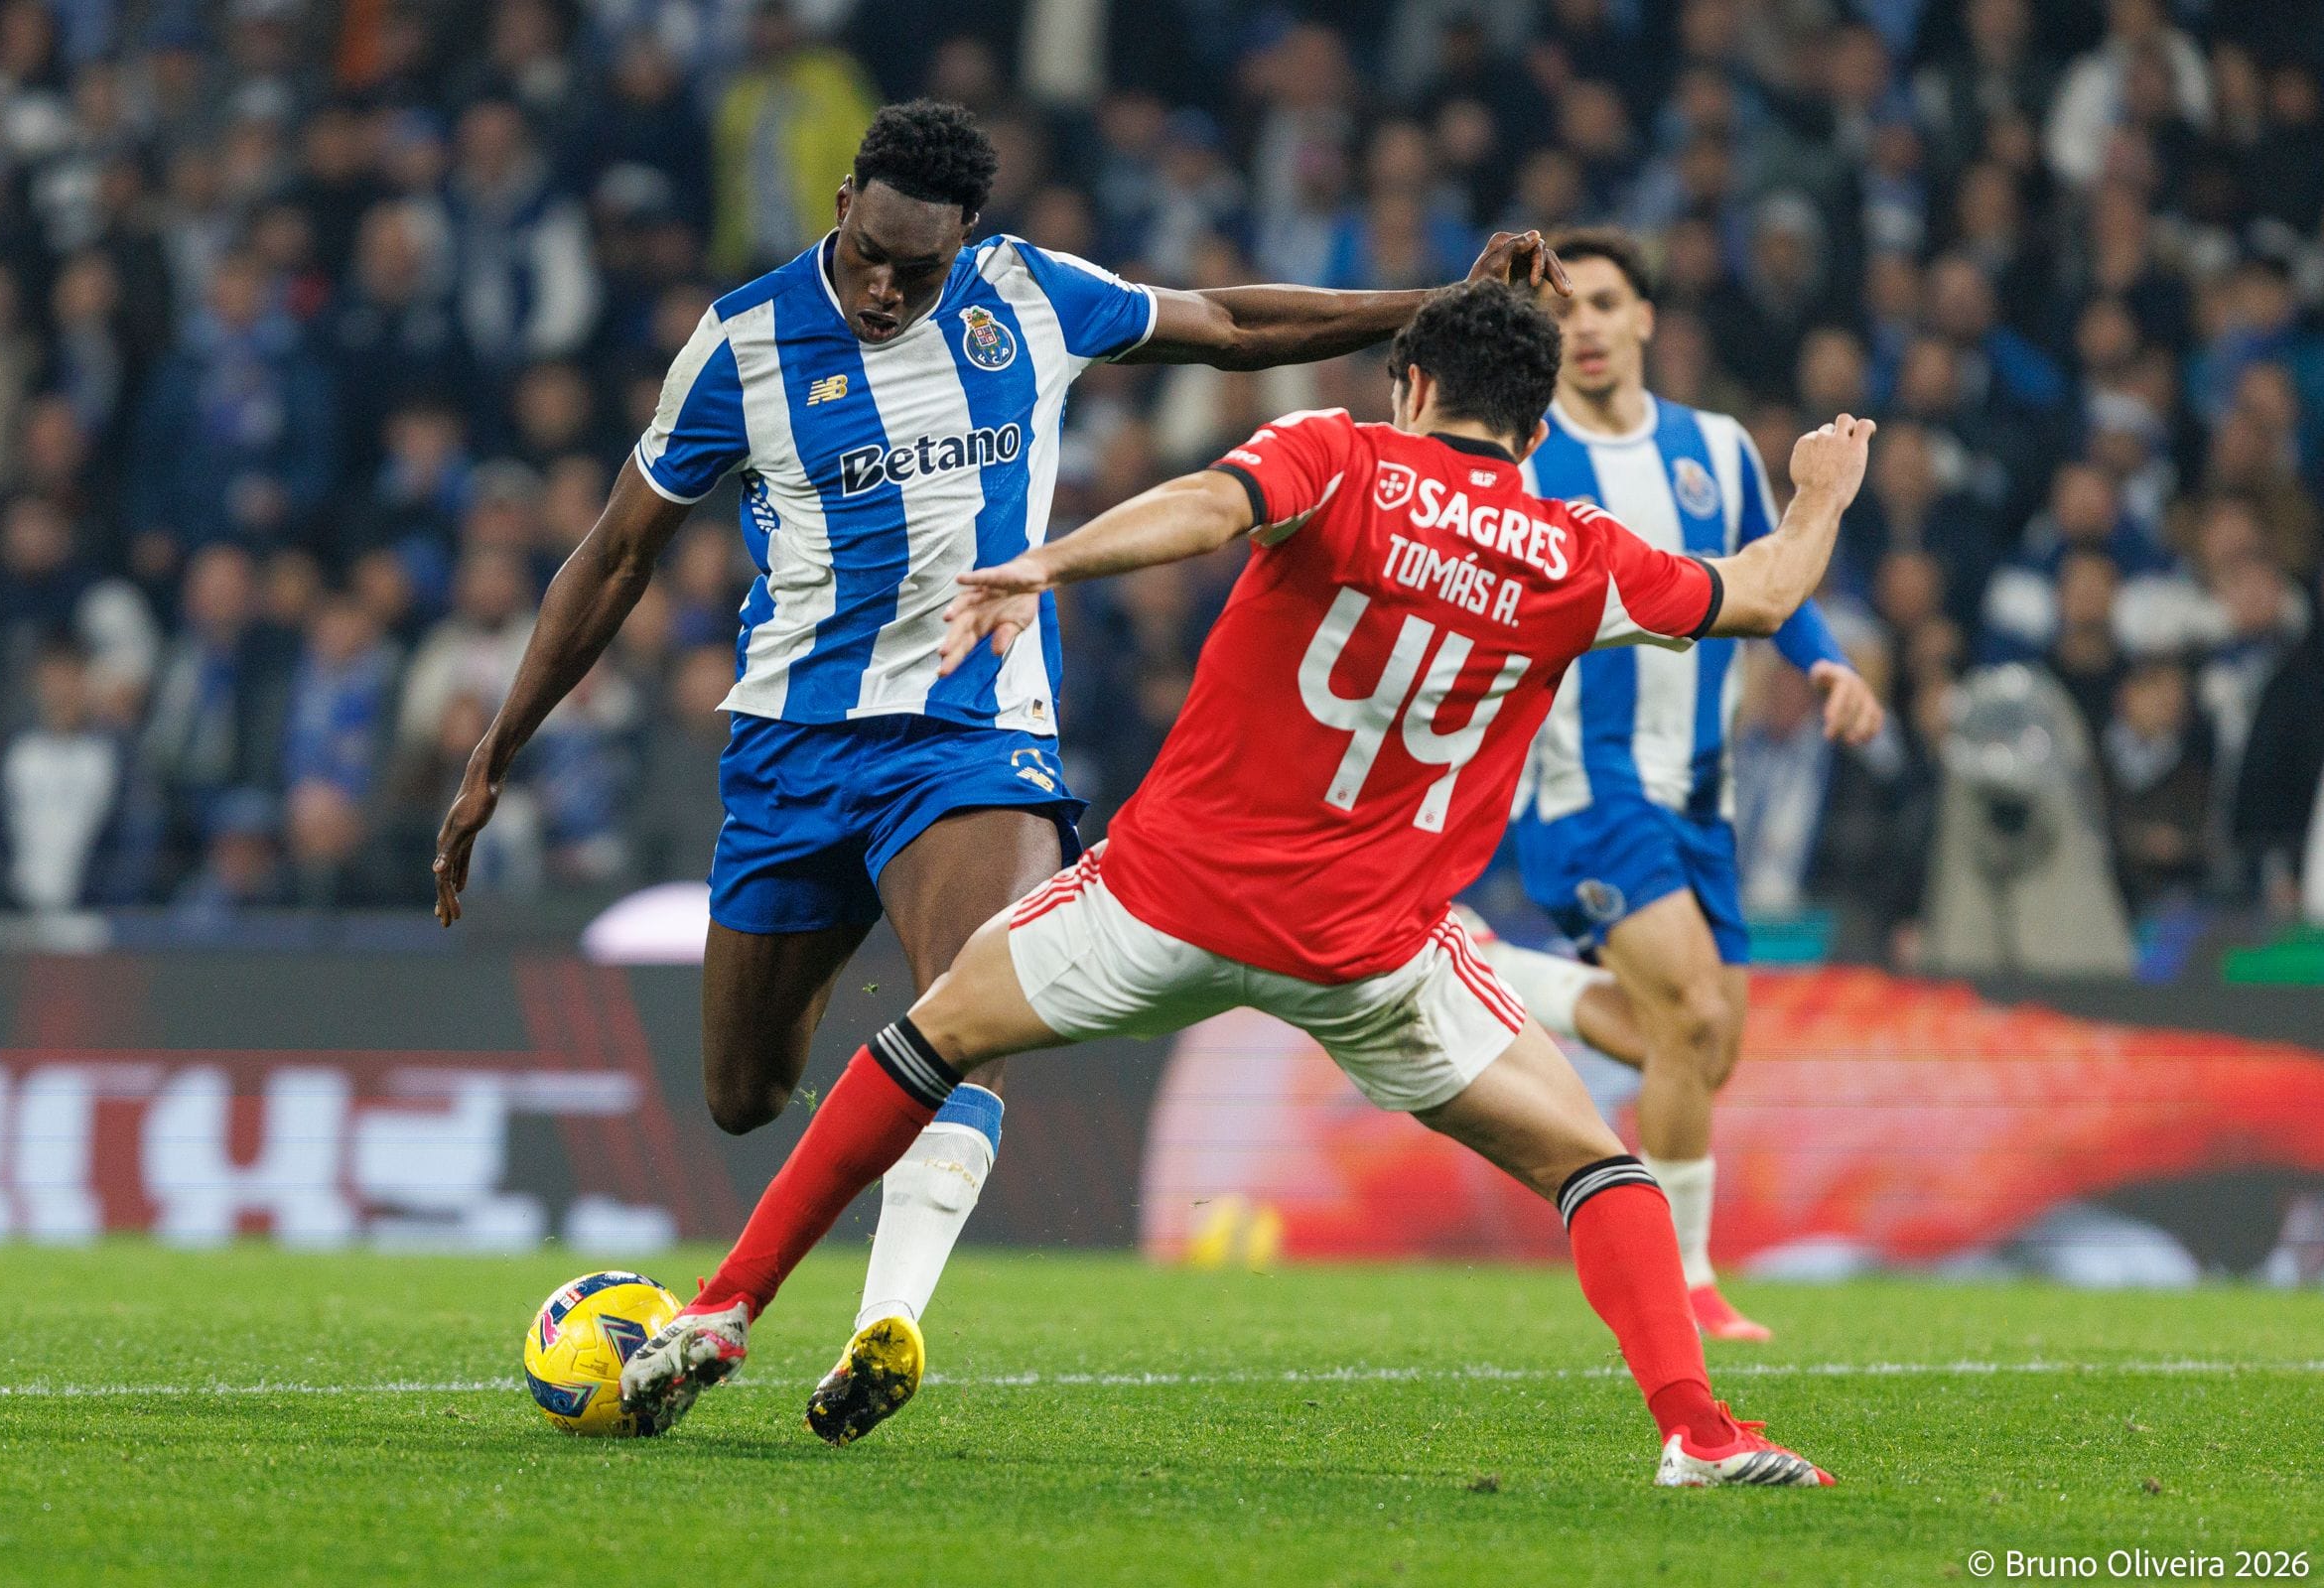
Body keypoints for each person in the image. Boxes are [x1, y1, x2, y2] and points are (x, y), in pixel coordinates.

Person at [619, 279, 1874, 1487]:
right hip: (1368, 953)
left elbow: (1207, 509)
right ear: (1537, 429)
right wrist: (1817, 495)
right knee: (1598, 1170)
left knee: (927, 1039)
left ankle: (727, 1307)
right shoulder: (1577, 555)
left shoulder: (1341, 456)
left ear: (1411, 382)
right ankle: (1696, 1431)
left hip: (1161, 905)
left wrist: (1053, 563)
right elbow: (1763, 592)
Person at [430, 100, 1569, 1429]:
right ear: (845, 199)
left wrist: (1435, 310)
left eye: (916, 270)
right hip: (792, 751)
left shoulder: (1027, 293)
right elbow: (615, 553)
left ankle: (883, 1322)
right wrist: (495, 752)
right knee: (742, 1094)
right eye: (866, 253)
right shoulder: (739, 343)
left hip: (970, 737)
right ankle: (867, 1107)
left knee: (976, 1015)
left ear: (965, 240)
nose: (882, 286)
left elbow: (1223, 323)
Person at [1454, 230, 1886, 1342]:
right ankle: (1686, 1280)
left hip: (1702, 791)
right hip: (1578, 783)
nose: (1585, 327)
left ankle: (1497, 971)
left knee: (1700, 1044)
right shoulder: (1524, 456)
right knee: (1688, 1010)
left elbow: (1767, 577)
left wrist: (1826, 662)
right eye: (1565, 312)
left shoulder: (1717, 446)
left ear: (1645, 318)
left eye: (1604, 305)